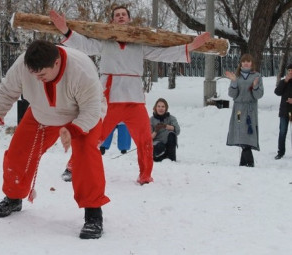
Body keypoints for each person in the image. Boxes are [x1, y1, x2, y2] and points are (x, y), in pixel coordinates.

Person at [0, 40, 110, 239]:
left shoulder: (82, 69)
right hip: (41, 112)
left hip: (81, 115)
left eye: (42, 75)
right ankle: (14, 197)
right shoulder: (23, 65)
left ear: (57, 62)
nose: (37, 79)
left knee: (86, 157)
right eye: (34, 75)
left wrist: (73, 129)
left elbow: (92, 109)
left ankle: (93, 213)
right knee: (18, 153)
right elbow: (7, 92)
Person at [50, 7, 210, 185]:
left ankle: (145, 175)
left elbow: (162, 53)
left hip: (134, 100)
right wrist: (64, 29)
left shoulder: (139, 42)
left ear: (129, 20)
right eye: (116, 15)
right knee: (94, 135)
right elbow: (85, 45)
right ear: (112, 21)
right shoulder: (105, 41)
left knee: (144, 140)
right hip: (109, 99)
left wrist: (191, 47)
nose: (120, 17)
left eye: (123, 15)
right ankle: (73, 167)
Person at [225, 53, 264, 167]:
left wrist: (256, 86)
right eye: (244, 61)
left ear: (252, 63)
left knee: (248, 132)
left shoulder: (256, 76)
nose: (246, 63)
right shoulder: (236, 76)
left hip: (250, 110)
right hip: (238, 109)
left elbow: (259, 95)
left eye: (248, 61)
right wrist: (233, 82)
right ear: (241, 63)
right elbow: (232, 94)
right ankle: (246, 163)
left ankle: (247, 162)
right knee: (239, 131)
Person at [274, 64, 292, 160]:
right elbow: (277, 92)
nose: (290, 72)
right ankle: (280, 152)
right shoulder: (283, 82)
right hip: (284, 111)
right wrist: (285, 81)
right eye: (289, 70)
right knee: (282, 132)